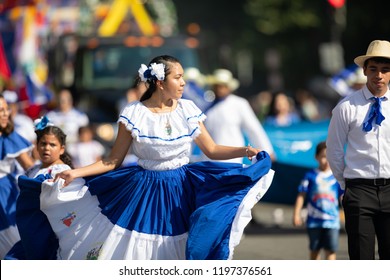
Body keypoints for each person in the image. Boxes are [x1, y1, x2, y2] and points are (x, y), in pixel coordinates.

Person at [17, 55, 275, 260]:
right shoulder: (134, 113)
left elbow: (212, 150)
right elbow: (112, 161)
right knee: (142, 253)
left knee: (185, 246)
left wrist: (245, 151)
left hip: (183, 189)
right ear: (161, 82)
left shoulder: (187, 109)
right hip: (144, 191)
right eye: (179, 77)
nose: (184, 82)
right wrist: (75, 172)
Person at [326, 39, 390, 260]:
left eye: (385, 70)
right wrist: (346, 185)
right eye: (373, 69)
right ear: (364, 71)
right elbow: (333, 149)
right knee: (362, 260)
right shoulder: (347, 107)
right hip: (359, 190)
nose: (379, 75)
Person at [7, 116, 74, 259]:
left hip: (48, 231)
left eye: (52, 145)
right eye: (43, 143)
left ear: (62, 149)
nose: (46, 148)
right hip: (30, 229)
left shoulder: (62, 171)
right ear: (37, 146)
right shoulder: (33, 169)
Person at [198, 68, 275, 163]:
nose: (219, 88)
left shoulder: (239, 103)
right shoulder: (207, 106)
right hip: (208, 162)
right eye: (217, 85)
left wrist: (267, 150)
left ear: (229, 87)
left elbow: (253, 128)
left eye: (222, 85)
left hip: (232, 161)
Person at [292, 141, 344, 260]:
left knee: (331, 250)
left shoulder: (337, 177)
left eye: (329, 157)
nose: (326, 160)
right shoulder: (310, 175)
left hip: (332, 221)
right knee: (315, 250)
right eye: (323, 157)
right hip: (314, 221)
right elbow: (301, 195)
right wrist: (296, 214)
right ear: (316, 157)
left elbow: (343, 197)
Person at [0, 93, 34, 259]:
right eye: (1, 110)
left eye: (6, 109)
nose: (6, 113)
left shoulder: (10, 137)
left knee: (14, 250)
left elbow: (30, 168)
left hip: (5, 197)